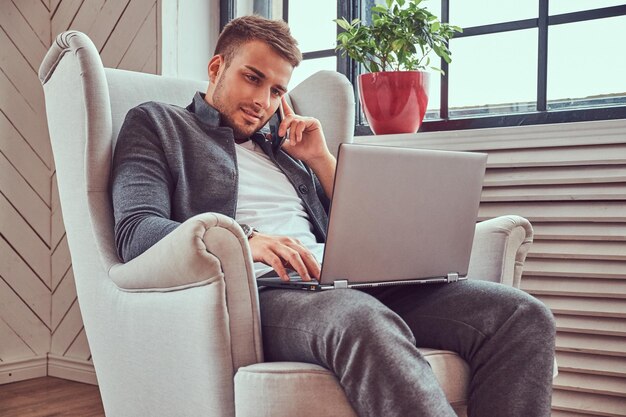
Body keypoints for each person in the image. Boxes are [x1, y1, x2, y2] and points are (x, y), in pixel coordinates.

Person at [111, 15, 556, 417]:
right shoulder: (158, 124)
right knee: (359, 317)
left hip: (345, 280)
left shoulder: (288, 149)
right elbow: (137, 231)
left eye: (277, 90)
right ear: (216, 69)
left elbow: (367, 223)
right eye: (252, 78)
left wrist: (321, 159)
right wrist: (245, 239)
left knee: (521, 316)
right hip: (266, 292)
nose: (262, 101)